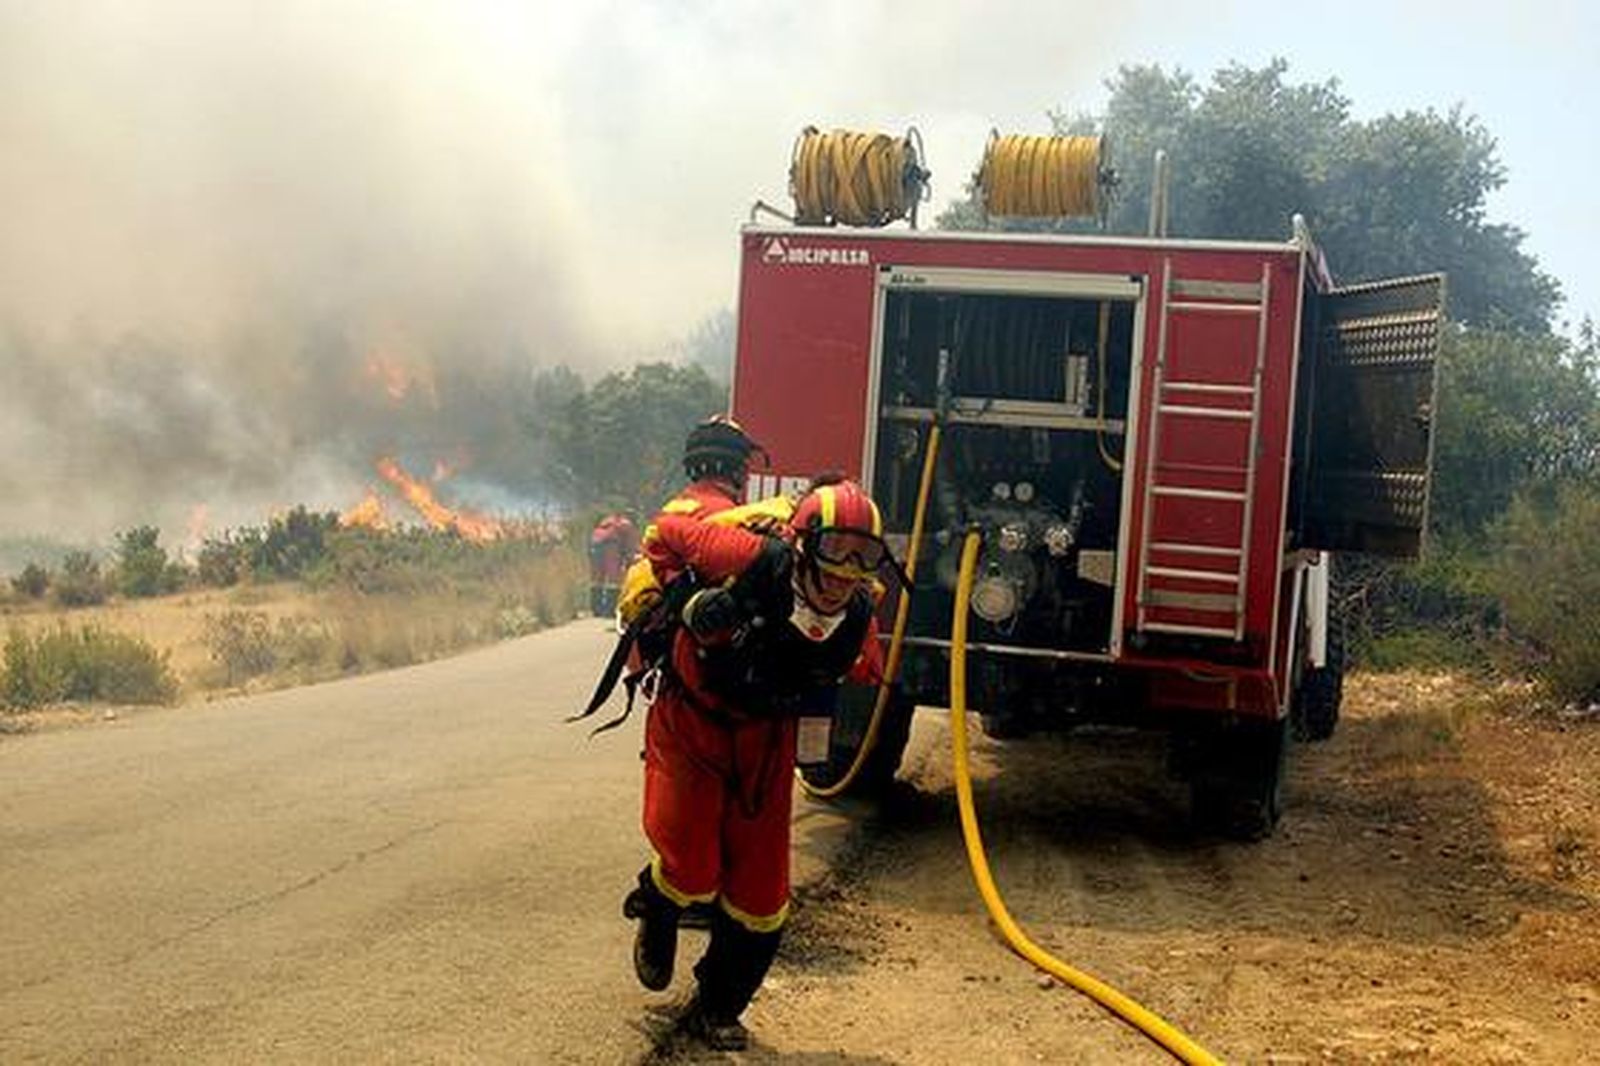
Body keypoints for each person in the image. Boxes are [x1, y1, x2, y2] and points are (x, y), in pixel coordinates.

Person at [622, 474, 893, 1051]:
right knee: (691, 861)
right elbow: (661, 535)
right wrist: (685, 598)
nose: (844, 572)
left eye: (863, 555)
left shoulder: (858, 615)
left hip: (768, 739)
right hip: (693, 719)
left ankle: (719, 1006)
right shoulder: (745, 555)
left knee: (762, 897)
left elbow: (868, 667)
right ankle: (659, 902)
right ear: (802, 545)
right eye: (834, 551)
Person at [587, 512, 639, 616]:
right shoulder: (627, 525)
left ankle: (596, 609)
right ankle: (610, 610)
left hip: (595, 546)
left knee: (596, 579)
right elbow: (630, 547)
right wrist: (630, 561)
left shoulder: (607, 522)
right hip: (611, 546)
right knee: (613, 580)